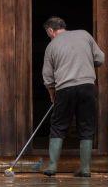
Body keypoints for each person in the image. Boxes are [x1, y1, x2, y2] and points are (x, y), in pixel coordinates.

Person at [41, 16, 104, 177]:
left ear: (50, 31)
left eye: (48, 33)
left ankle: (53, 167)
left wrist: (52, 95)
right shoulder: (84, 35)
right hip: (87, 86)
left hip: (64, 89)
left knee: (58, 126)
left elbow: (48, 77)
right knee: (86, 126)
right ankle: (85, 169)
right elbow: (100, 58)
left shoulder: (52, 45)